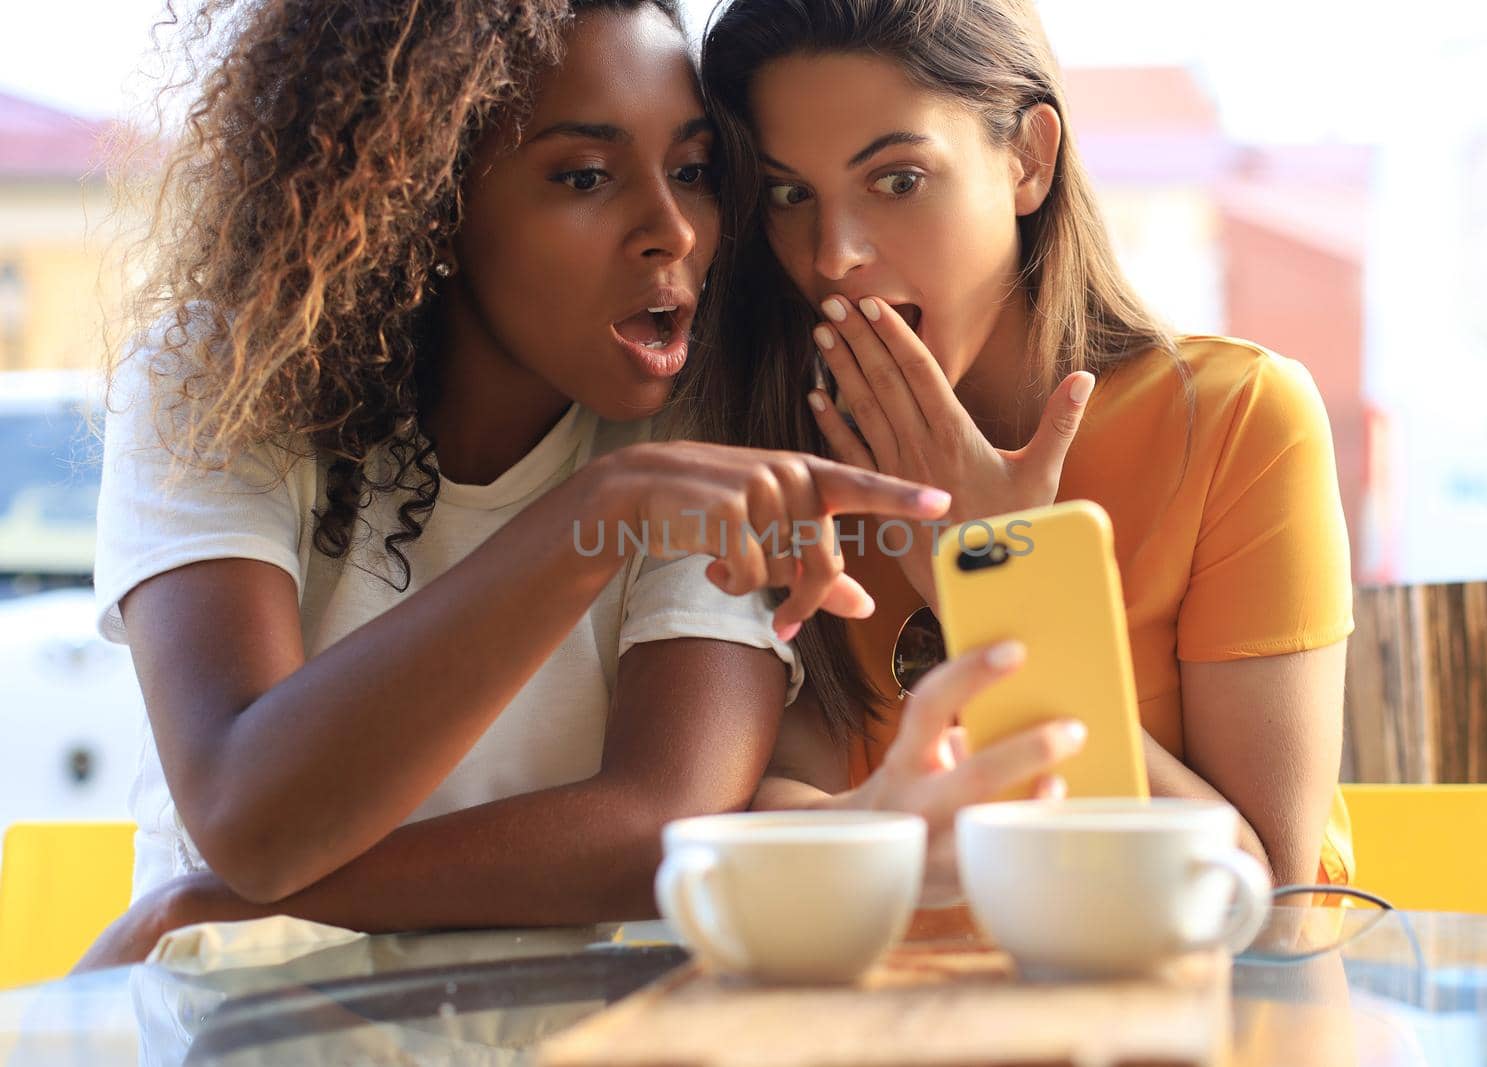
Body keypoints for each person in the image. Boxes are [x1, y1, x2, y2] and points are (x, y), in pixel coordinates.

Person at [75, 0, 964, 968]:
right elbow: (248, 809)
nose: (671, 231)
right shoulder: (226, 374)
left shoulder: (695, 415)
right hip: (239, 1023)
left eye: (693, 171)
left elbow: (665, 817)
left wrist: (228, 905)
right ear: (429, 201)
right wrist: (601, 512)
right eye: (584, 175)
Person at [683, 0, 1356, 896]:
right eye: (789, 194)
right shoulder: (788, 440)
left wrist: (1008, 586)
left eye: (897, 179)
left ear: (1029, 160)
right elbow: (765, 807)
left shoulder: (1238, 420)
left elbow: (1267, 892)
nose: (834, 255)